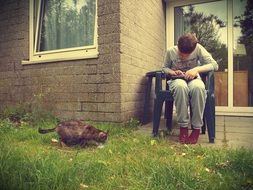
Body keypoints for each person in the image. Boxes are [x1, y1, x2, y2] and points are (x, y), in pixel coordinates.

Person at [162, 33, 218, 144]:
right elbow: (164, 68)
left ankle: (196, 128)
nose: (183, 57)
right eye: (181, 54)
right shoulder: (170, 51)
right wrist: (172, 72)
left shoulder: (198, 48)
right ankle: (183, 128)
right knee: (180, 87)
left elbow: (214, 65)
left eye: (186, 55)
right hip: (177, 79)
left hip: (194, 79)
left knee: (198, 88)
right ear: (177, 46)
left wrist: (196, 69)